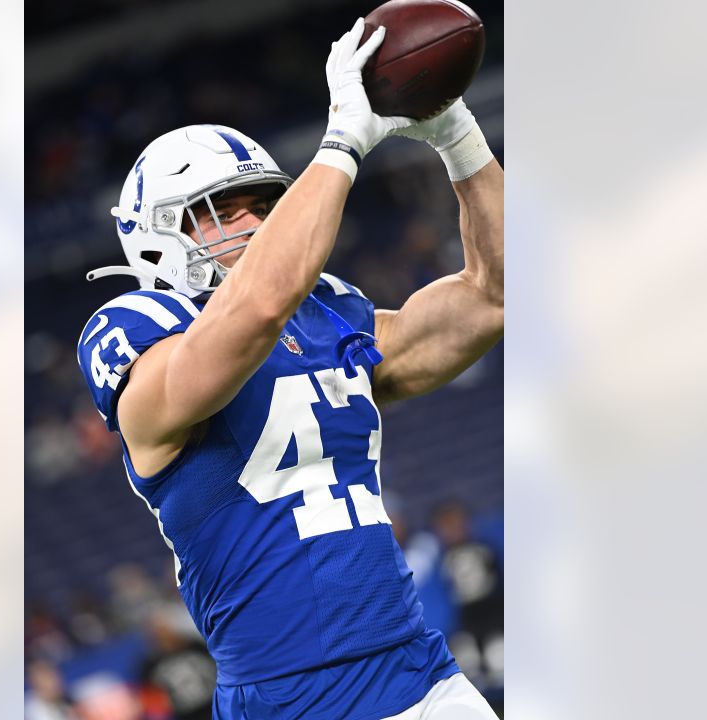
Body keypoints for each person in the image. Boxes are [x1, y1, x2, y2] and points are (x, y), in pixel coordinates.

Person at [75, 17, 503, 719]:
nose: (251, 227)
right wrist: (341, 141)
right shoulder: (133, 330)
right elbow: (254, 311)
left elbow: (494, 296)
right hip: (291, 700)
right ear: (155, 235)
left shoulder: (329, 311)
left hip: (420, 672)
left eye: (262, 207)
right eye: (218, 213)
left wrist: (454, 131)